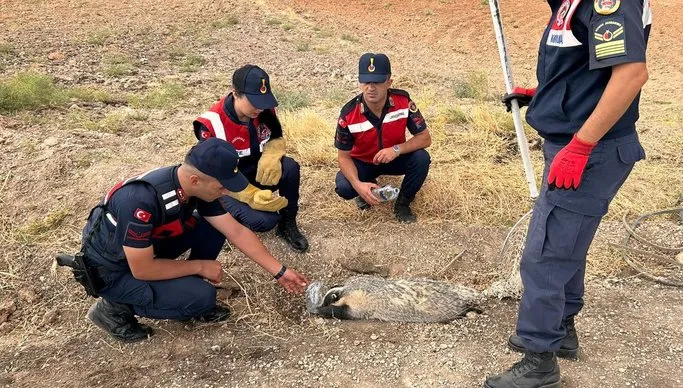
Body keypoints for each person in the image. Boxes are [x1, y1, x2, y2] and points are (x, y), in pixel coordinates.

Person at [485, 1, 652, 388]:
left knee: (544, 253)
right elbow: (581, 68)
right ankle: (561, 330)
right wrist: (542, 96)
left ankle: (539, 359)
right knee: (566, 244)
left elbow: (630, 74)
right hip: (572, 143)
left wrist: (581, 145)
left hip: (588, 151)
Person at [59, 138, 309, 343]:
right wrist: (199, 266)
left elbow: (237, 231)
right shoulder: (139, 201)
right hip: (115, 270)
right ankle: (115, 308)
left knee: (210, 227)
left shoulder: (195, 187)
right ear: (195, 180)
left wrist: (280, 271)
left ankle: (180, 288)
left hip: (145, 250)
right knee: (202, 298)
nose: (226, 192)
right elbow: (142, 268)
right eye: (222, 187)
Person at [194, 65, 309, 253]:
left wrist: (272, 154)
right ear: (235, 93)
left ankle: (288, 224)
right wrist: (250, 195)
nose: (260, 107)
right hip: (226, 185)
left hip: (254, 172)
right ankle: (223, 221)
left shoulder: (263, 110)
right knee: (265, 221)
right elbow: (214, 176)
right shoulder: (211, 125)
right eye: (254, 101)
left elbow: (275, 136)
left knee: (290, 167)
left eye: (263, 100)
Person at [334, 53, 432, 223]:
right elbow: (343, 157)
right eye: (365, 81)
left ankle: (402, 204)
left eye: (377, 82)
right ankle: (367, 189)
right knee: (344, 186)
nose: (370, 87)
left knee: (422, 158)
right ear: (359, 82)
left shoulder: (403, 101)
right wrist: (358, 185)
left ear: (389, 82)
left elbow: (424, 138)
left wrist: (396, 149)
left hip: (394, 158)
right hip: (363, 162)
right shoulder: (348, 114)